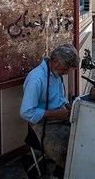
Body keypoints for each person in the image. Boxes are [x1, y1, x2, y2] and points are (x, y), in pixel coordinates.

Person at [20, 44, 80, 178]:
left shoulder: (54, 72)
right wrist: (56, 114)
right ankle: (64, 172)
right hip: (42, 123)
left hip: (60, 116)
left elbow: (59, 98)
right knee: (70, 148)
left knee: (84, 138)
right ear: (55, 61)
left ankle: (62, 172)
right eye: (64, 70)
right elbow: (26, 112)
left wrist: (71, 108)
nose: (64, 74)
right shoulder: (36, 79)